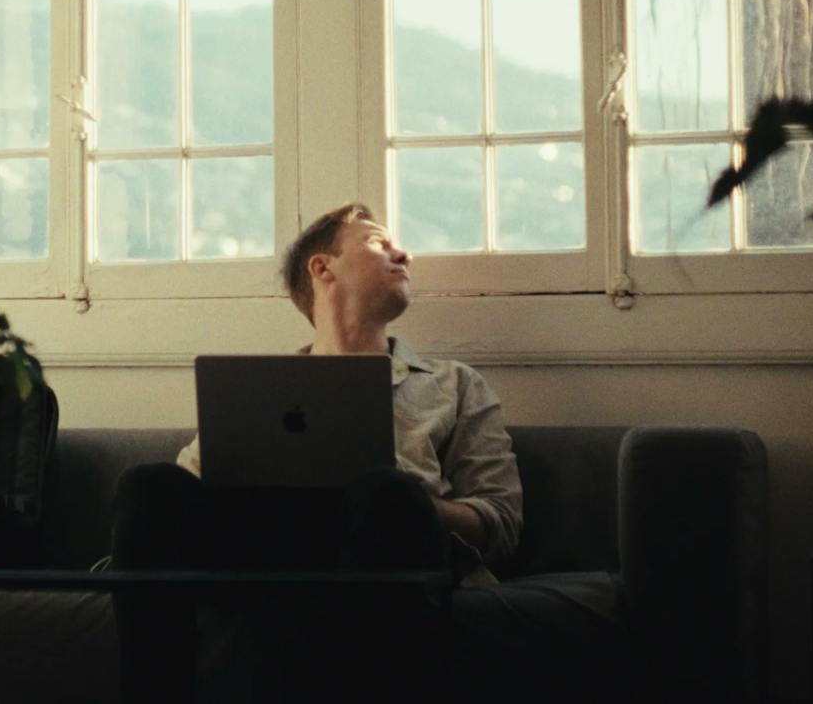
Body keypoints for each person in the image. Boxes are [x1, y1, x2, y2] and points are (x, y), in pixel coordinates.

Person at [108, 202, 524, 702]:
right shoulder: (260, 392)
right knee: (147, 485)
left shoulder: (453, 384)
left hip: (382, 546)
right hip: (262, 551)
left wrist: (412, 505)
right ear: (322, 267)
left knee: (385, 491)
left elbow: (501, 522)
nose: (405, 254)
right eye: (377, 241)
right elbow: (187, 497)